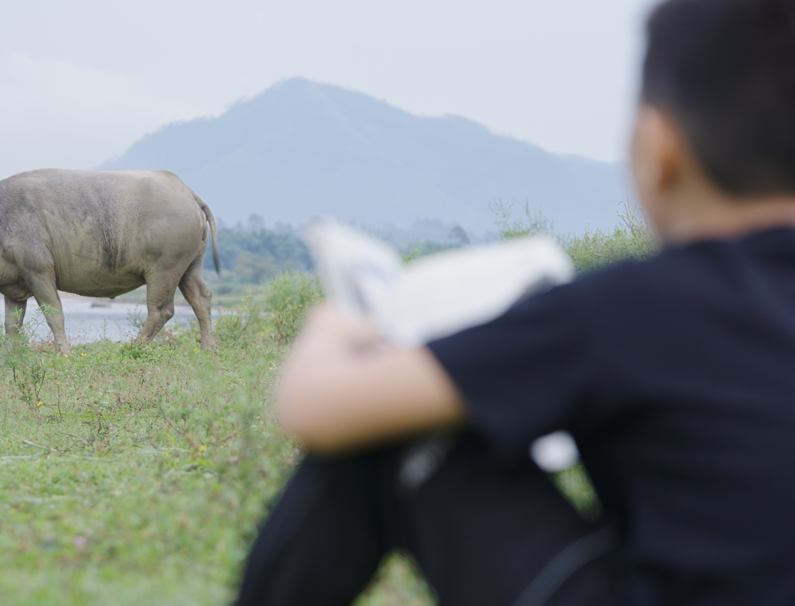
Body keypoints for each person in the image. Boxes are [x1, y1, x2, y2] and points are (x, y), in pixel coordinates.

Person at [234, 0, 795, 604]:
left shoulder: (627, 307)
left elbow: (316, 408)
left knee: (400, 432)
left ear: (657, 149)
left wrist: (331, 326)